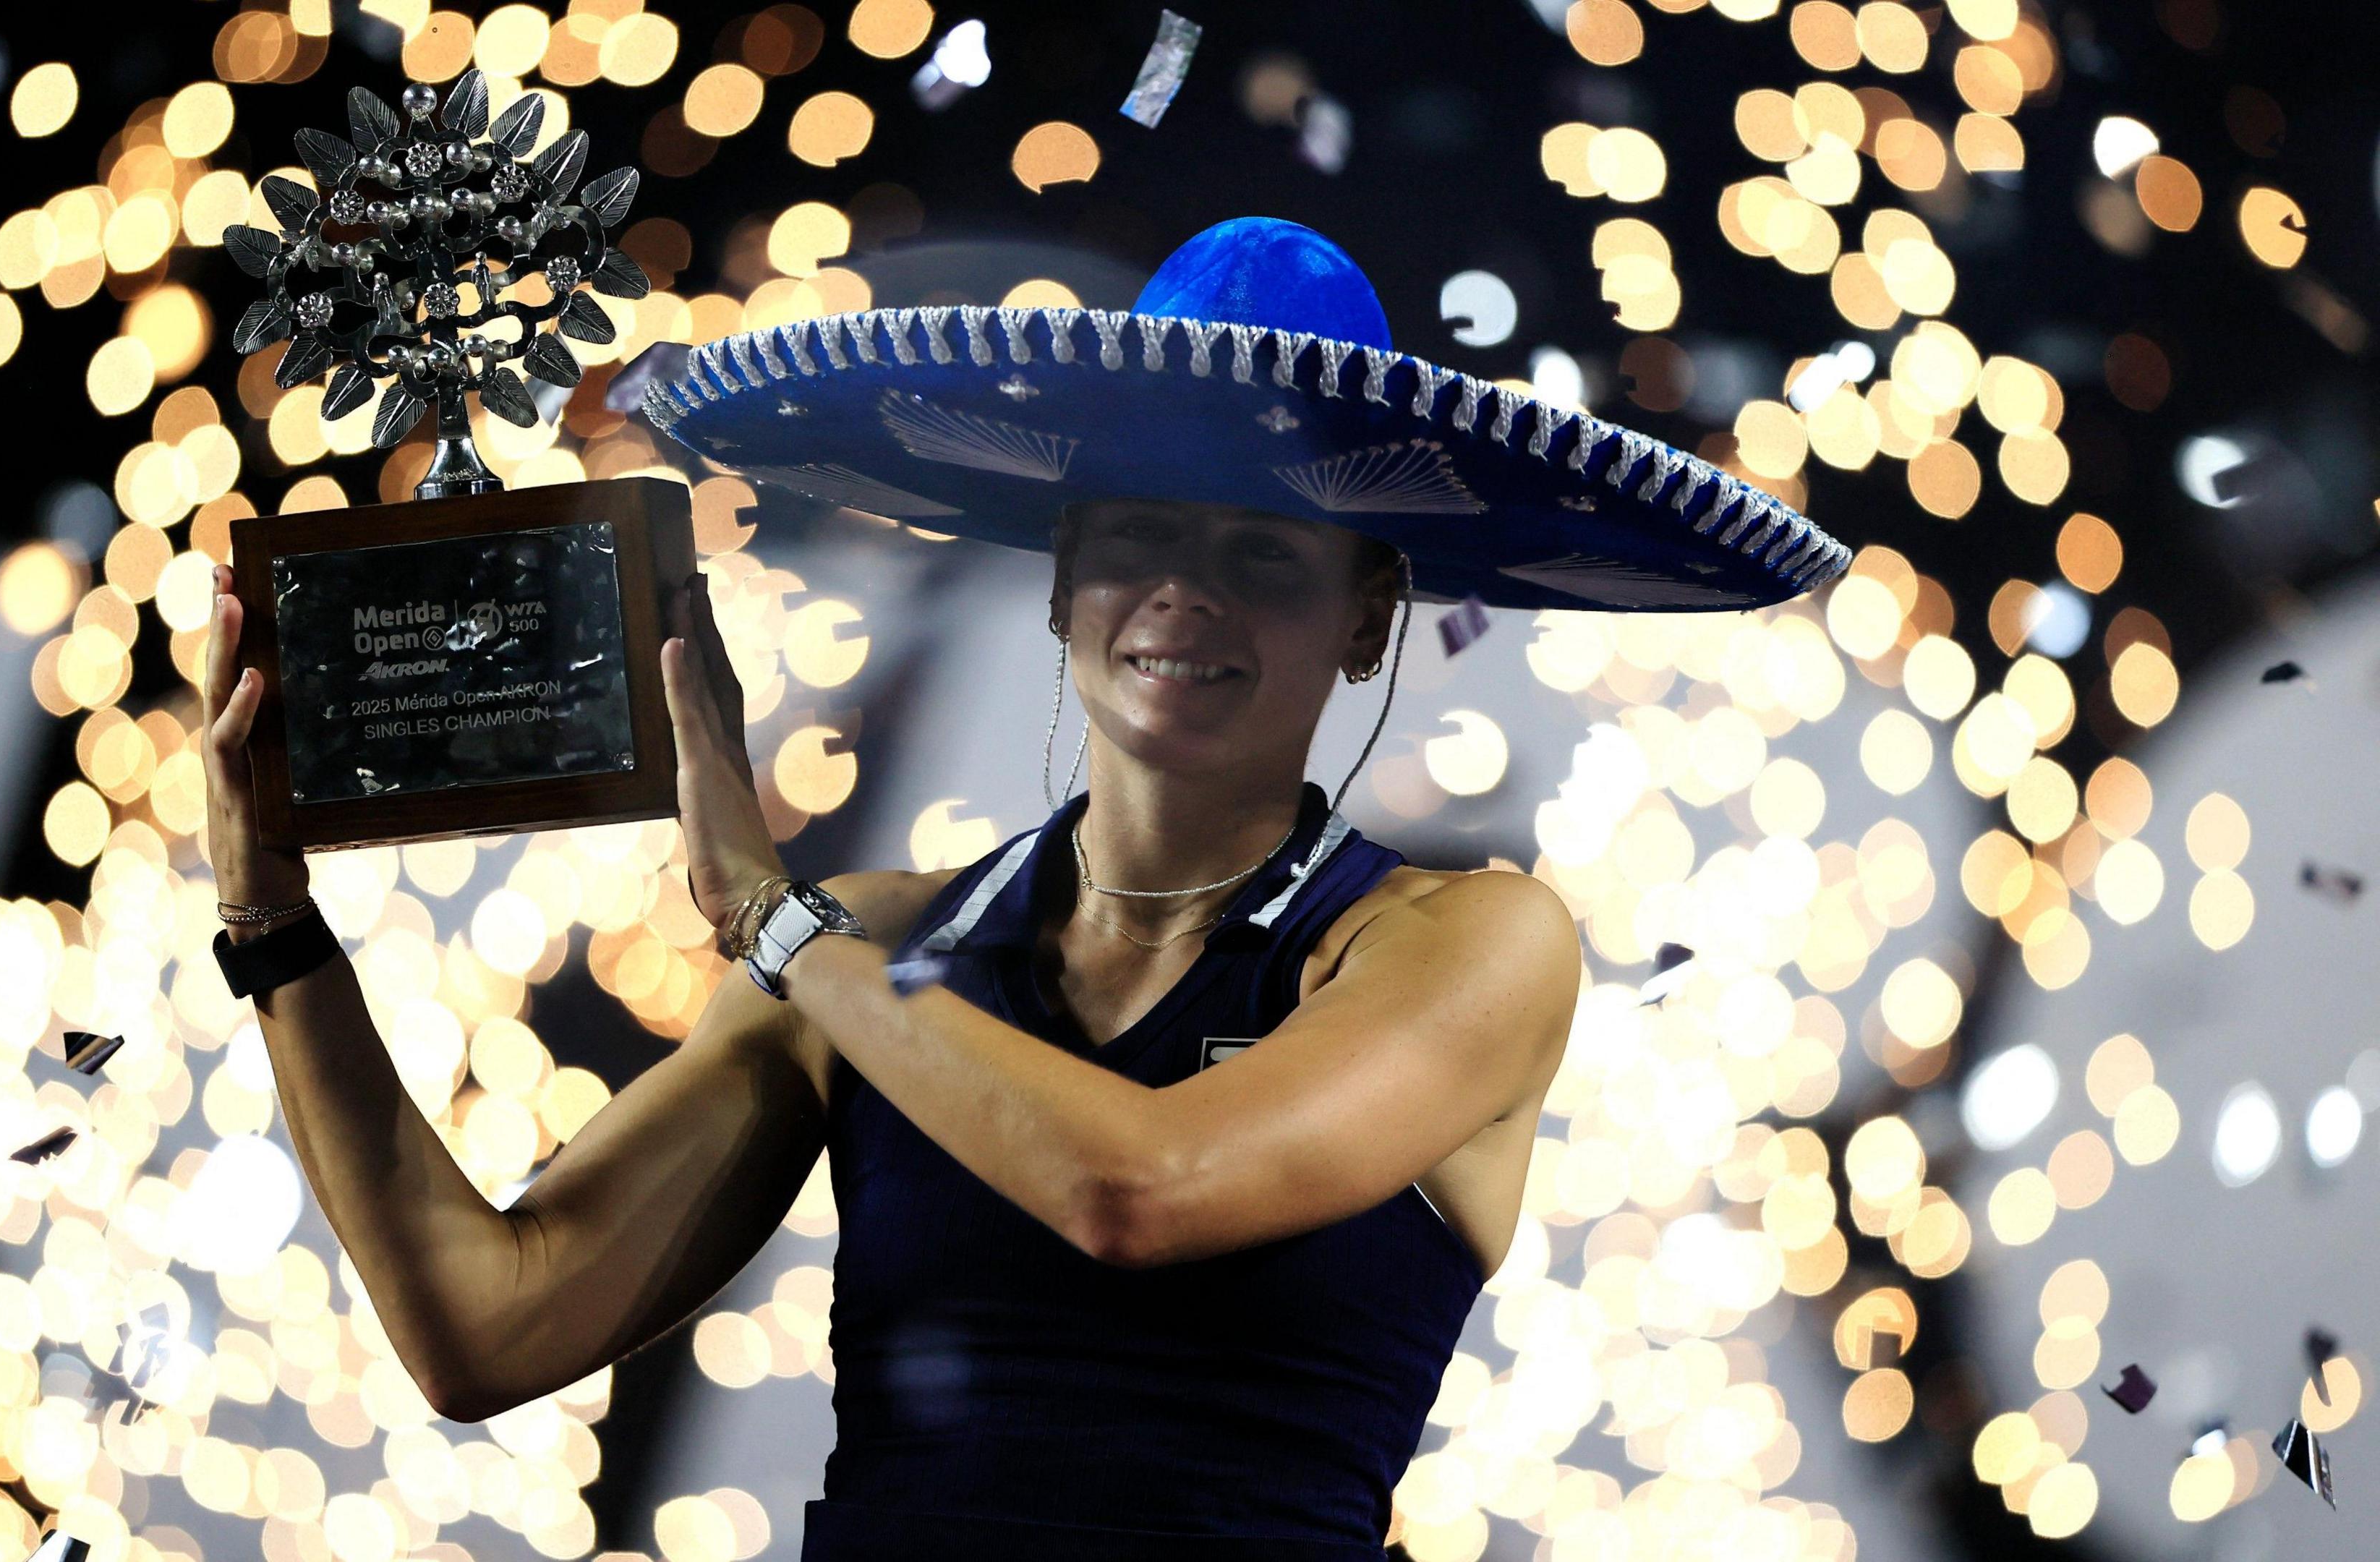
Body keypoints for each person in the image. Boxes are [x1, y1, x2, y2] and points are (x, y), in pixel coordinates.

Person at [200, 218, 1846, 1560]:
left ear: (1365, 616)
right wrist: (273, 927)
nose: (1187, 597)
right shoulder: (881, 942)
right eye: (1142, 537)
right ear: (1065, 577)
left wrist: (775, 924)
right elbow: (484, 1331)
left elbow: (1138, 1194)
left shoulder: (1468, 943)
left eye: (1267, 553)